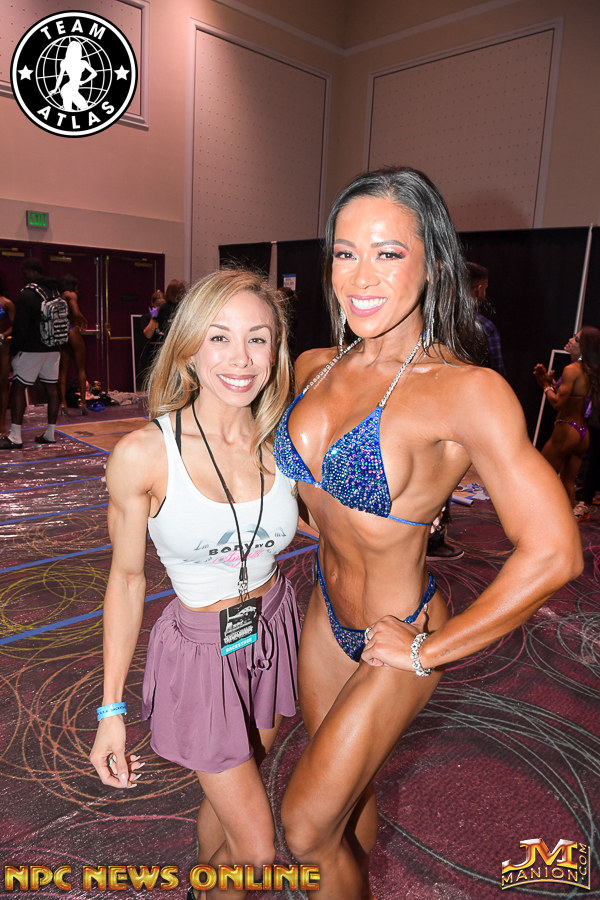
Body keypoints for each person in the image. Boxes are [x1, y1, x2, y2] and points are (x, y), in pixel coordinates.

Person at [275, 166, 582, 900]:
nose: (361, 276)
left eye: (388, 252)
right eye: (345, 252)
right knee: (344, 803)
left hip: (402, 629)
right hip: (323, 613)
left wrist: (429, 650)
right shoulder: (314, 366)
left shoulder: (465, 391)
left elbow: (555, 551)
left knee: (304, 830)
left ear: (433, 263)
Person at [89, 269, 300, 900]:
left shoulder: (285, 439)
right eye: (219, 337)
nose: (241, 359)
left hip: (272, 629)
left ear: (276, 350)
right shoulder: (145, 454)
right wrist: (110, 711)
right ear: (188, 347)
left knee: (236, 795)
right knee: (258, 850)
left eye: (258, 339)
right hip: (202, 652)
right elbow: (127, 581)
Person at [0, 258, 65, 450]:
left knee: (18, 388)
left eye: (23, 270)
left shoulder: (27, 294)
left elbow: (20, 327)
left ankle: (15, 437)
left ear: (32, 271)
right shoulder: (54, 291)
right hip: (53, 347)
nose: (21, 275)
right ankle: (50, 434)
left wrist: (14, 352)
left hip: (31, 348)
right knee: (52, 389)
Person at [534, 326, 600, 510]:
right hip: (582, 433)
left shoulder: (571, 369)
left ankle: (535, 517)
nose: (571, 340)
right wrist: (553, 384)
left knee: (541, 475)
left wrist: (545, 386)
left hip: (566, 429)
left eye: (576, 340)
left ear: (584, 347)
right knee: (567, 484)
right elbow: (574, 397)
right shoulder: (589, 370)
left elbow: (557, 403)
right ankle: (567, 522)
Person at [467, 260, 506, 376]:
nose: (484, 295)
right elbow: (497, 373)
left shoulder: (432, 322)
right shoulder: (486, 327)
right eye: (485, 289)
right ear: (478, 290)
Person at [58, 274, 89, 416]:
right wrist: (84, 320)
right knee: (81, 369)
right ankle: (83, 402)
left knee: (63, 370)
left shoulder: (59, 297)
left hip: (63, 332)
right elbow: (75, 312)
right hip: (73, 330)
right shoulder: (72, 295)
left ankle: (63, 403)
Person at [0, 274, 15, 435]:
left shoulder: (6, 303)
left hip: (2, 346)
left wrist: (3, 335)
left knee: (3, 383)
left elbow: (15, 325)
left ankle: (2, 421)